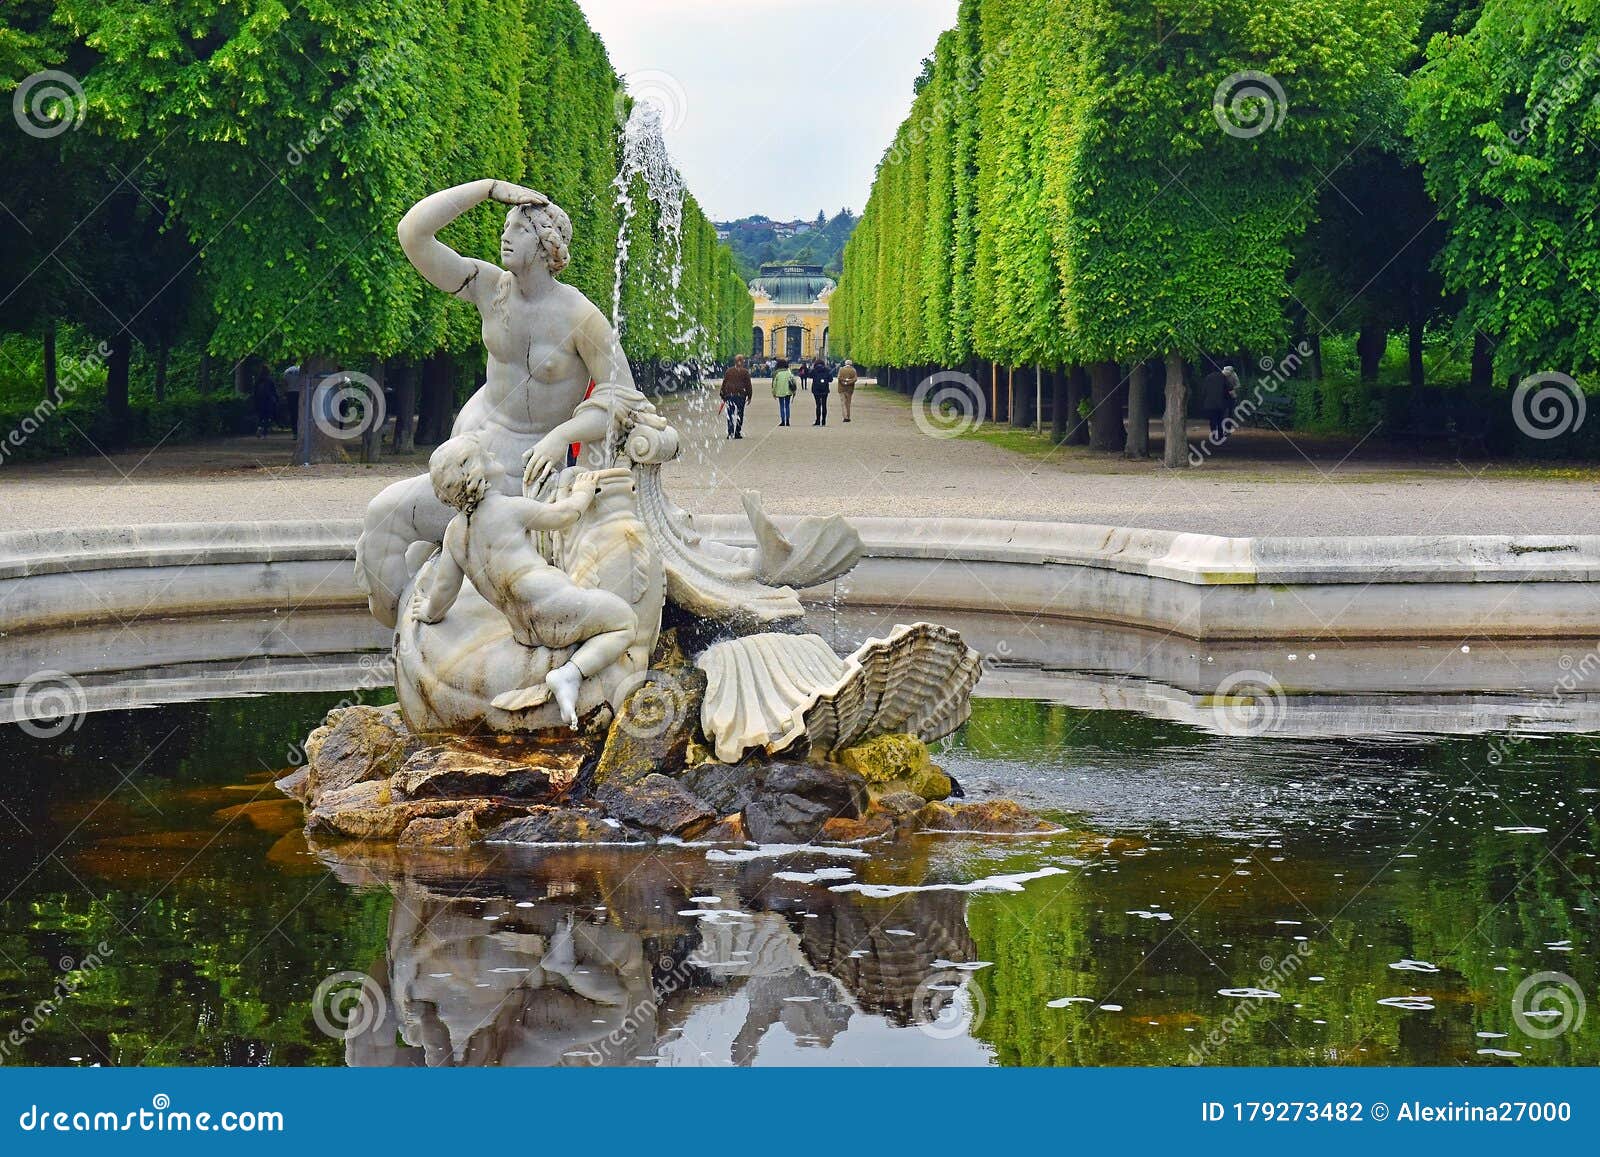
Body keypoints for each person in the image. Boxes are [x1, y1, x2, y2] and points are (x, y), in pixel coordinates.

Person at [356, 178, 638, 628]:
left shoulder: (579, 315)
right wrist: (486, 189)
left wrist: (561, 436)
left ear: (547, 245)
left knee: (388, 514)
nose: (504, 235)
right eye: (505, 225)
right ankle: (408, 636)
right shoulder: (489, 286)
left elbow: (622, 395)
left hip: (518, 471)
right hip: (466, 449)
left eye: (518, 229)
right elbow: (413, 234)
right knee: (382, 521)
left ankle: (432, 637)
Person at [412, 432, 637, 728]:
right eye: (488, 456)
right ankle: (570, 674)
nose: (494, 458)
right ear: (477, 471)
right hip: (554, 608)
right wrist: (583, 490)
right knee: (625, 622)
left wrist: (428, 612)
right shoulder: (509, 508)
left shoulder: (455, 533)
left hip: (525, 631)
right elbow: (564, 515)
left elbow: (444, 591)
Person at [719, 354, 753, 439]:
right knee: (740, 414)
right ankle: (737, 432)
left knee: (730, 414)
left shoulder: (729, 371)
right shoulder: (745, 372)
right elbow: (748, 385)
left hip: (730, 395)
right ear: (743, 362)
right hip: (740, 395)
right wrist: (749, 396)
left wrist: (722, 394)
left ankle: (730, 432)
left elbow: (724, 383)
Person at [1199, 365, 1234, 441]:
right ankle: (1220, 435)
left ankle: (1213, 434)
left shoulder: (1208, 377)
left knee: (1212, 420)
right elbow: (1230, 388)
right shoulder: (1223, 377)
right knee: (1220, 420)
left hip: (1210, 404)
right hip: (1220, 403)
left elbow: (1203, 391)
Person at [252, 367, 278, 438]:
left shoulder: (258, 381)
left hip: (259, 401)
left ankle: (259, 427)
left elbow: (254, 392)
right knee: (267, 417)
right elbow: (273, 391)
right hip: (268, 401)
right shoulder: (270, 381)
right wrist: (275, 399)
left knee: (260, 416)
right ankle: (264, 433)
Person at [771, 358, 797, 427]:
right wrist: (794, 391)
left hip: (780, 391)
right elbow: (793, 381)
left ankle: (783, 421)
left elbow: (774, 384)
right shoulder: (789, 372)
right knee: (787, 406)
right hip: (788, 391)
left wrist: (773, 392)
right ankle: (787, 421)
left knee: (782, 406)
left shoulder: (777, 373)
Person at [810, 356, 833, 426]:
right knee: (824, 405)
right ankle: (823, 421)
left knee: (818, 405)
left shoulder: (814, 370)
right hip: (825, 389)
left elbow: (810, 375)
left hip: (816, 389)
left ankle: (817, 420)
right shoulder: (827, 370)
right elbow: (831, 379)